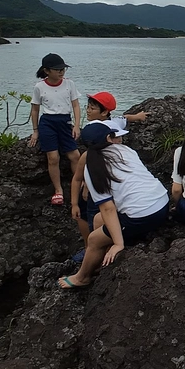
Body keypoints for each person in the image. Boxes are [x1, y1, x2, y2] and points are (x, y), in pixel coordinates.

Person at [58, 122, 169, 289]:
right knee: (98, 219)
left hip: (143, 215)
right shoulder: (126, 150)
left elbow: (108, 208)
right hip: (163, 202)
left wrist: (119, 243)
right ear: (109, 138)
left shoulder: (93, 170)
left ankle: (82, 277)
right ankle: (102, 261)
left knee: (94, 239)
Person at [69, 91, 148, 262]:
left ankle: (98, 247)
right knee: (93, 217)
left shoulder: (109, 126)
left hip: (110, 184)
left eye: (92, 108)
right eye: (87, 107)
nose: (88, 111)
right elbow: (80, 174)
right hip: (99, 182)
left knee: (99, 215)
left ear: (104, 112)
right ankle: (91, 248)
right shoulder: (93, 140)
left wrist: (139, 116)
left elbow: (124, 118)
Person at [28, 53, 81, 205]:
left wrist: (76, 126)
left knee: (75, 156)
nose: (61, 72)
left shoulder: (69, 84)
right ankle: (58, 190)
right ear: (47, 71)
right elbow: (35, 110)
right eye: (57, 69)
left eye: (63, 69)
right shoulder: (39, 87)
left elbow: (76, 105)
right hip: (48, 123)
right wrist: (36, 130)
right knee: (53, 158)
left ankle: (80, 184)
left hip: (65, 122)